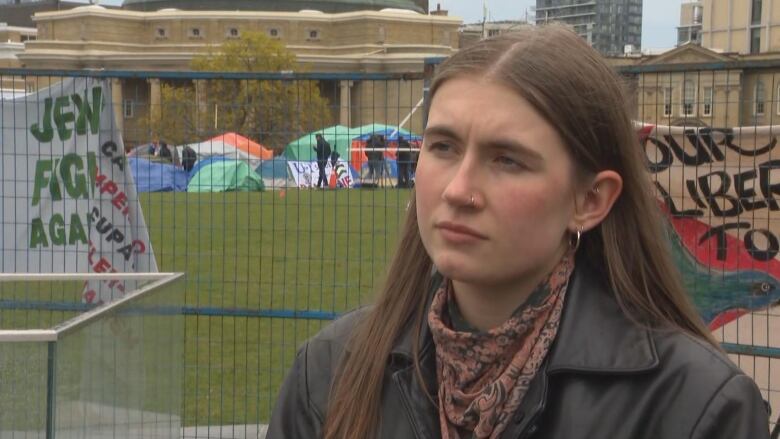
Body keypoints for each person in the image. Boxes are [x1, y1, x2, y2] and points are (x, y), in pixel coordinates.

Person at [269, 26, 770, 439]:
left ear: (590, 200)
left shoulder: (695, 408)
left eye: (507, 160)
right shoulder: (330, 371)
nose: (459, 190)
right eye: (443, 147)